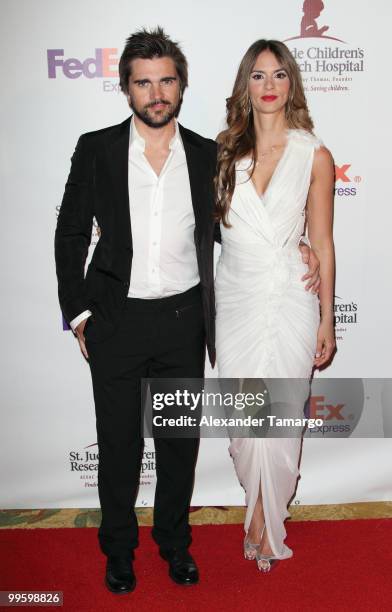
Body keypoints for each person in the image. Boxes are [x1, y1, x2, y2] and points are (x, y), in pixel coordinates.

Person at [55, 28, 320, 593]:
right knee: (120, 445)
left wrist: (297, 244)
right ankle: (119, 551)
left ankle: (175, 546)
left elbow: (244, 224)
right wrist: (78, 313)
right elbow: (71, 231)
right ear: (126, 88)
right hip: (116, 321)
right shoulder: (96, 148)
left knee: (178, 448)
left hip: (183, 322)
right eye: (143, 83)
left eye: (166, 81)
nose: (156, 93)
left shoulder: (210, 155)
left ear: (181, 86)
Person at [215, 39, 335, 572]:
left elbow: (325, 243)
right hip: (236, 296)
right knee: (246, 422)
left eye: (279, 75)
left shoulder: (315, 155)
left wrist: (329, 317)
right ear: (246, 84)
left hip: (290, 294)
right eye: (258, 75)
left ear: (292, 85)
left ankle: (266, 522)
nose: (269, 86)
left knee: (280, 418)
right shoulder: (222, 151)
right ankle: (254, 503)